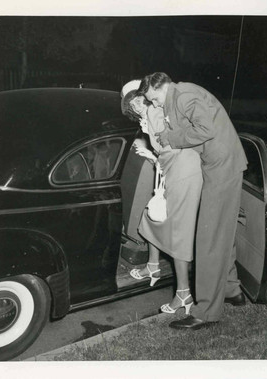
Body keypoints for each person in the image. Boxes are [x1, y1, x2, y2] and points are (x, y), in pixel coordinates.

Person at [138, 72, 248, 330]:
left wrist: (171, 137)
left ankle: (206, 312)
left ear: (160, 86)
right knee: (222, 233)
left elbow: (205, 130)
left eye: (153, 99)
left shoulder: (183, 96)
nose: (154, 105)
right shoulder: (179, 95)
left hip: (222, 168)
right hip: (221, 166)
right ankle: (232, 291)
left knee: (209, 240)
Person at [121, 80, 203, 315]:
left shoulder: (155, 111)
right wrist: (153, 154)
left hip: (184, 174)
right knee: (151, 216)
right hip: (175, 170)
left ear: (145, 97)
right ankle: (153, 266)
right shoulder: (149, 113)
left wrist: (155, 157)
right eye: (131, 103)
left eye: (138, 99)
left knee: (179, 235)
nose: (136, 105)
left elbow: (173, 146)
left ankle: (184, 295)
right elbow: (165, 146)